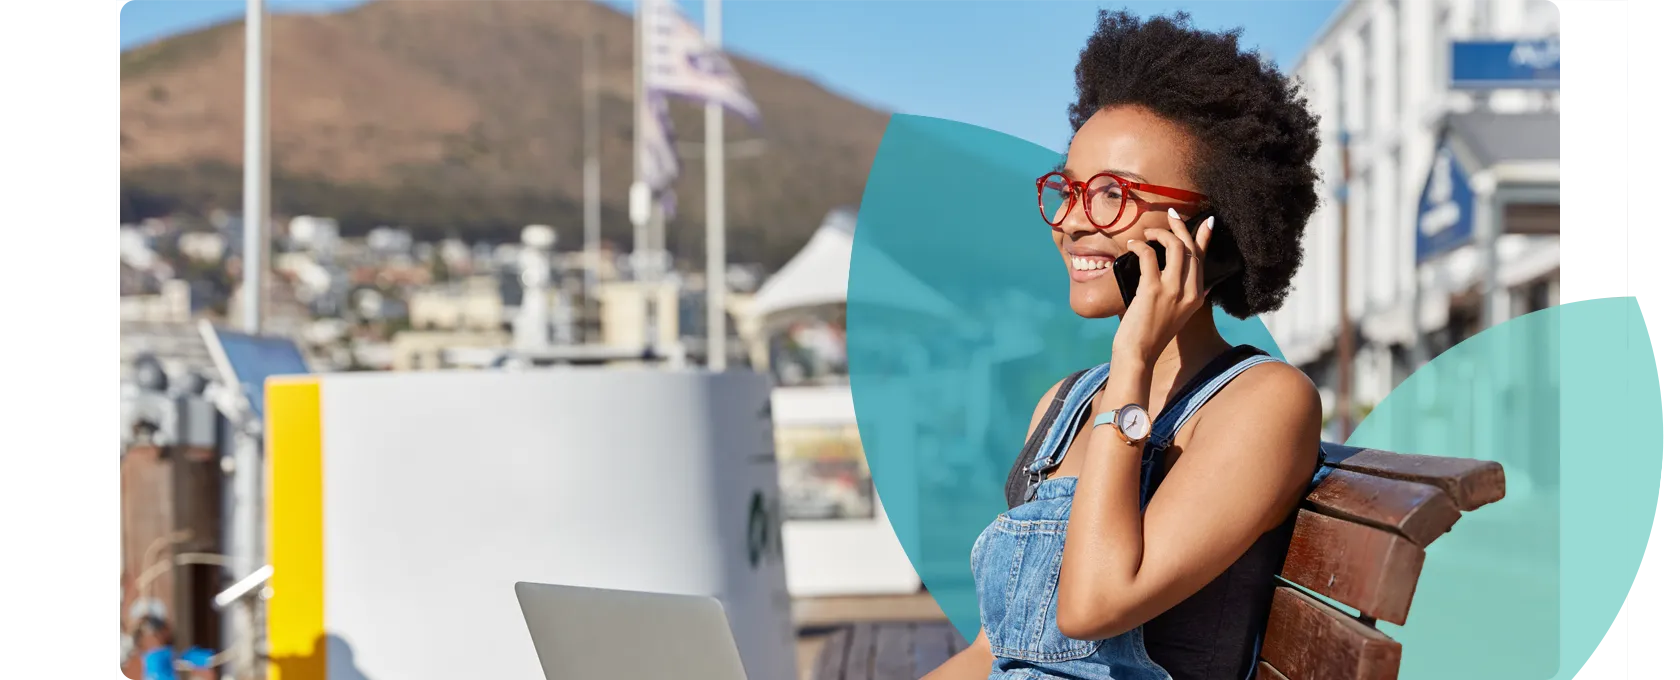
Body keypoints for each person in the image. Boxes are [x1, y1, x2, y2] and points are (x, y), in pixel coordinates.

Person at [925, 10, 1324, 680]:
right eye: (1070, 189)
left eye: (1112, 194)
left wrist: (1134, 360)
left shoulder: (1265, 403)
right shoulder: (1067, 405)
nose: (1073, 222)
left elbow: (1094, 605)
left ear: (1203, 227)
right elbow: (996, 651)